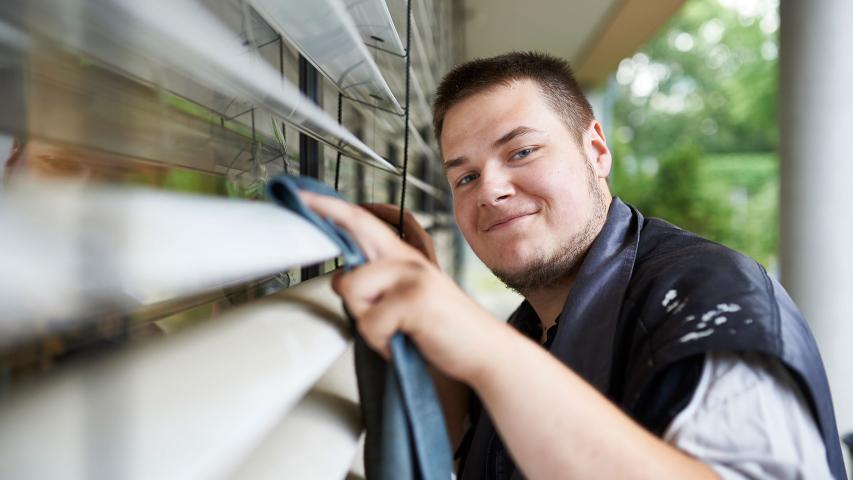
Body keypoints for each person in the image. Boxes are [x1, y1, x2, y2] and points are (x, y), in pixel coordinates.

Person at [300, 52, 844, 479]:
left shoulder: (706, 296)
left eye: (521, 152)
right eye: (464, 177)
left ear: (596, 151)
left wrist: (486, 350)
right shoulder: (532, 328)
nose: (490, 188)